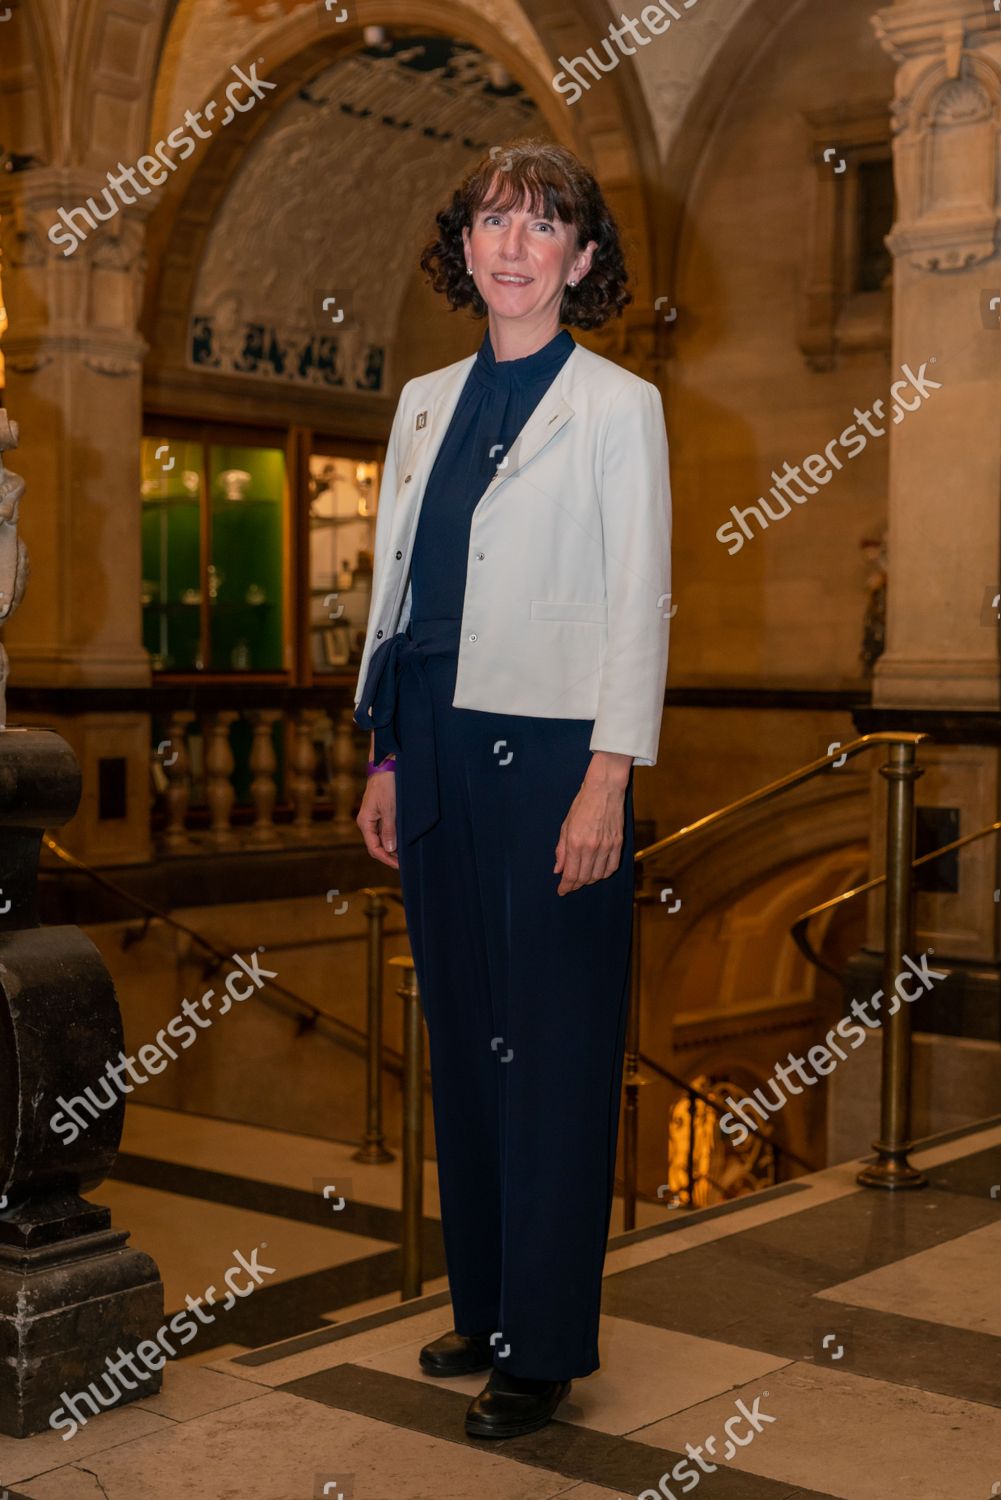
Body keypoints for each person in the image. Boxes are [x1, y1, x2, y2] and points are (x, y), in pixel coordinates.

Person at [354, 138, 672, 1440]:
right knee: (468, 1037)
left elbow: (636, 600)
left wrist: (607, 779)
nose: (511, 244)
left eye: (542, 226)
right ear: (464, 247)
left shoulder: (615, 406)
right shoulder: (424, 398)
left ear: (581, 260)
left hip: (550, 756)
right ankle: (482, 1304)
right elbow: (399, 590)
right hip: (426, 737)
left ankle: (541, 1349)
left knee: (550, 1053)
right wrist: (381, 754)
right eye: (491, 221)